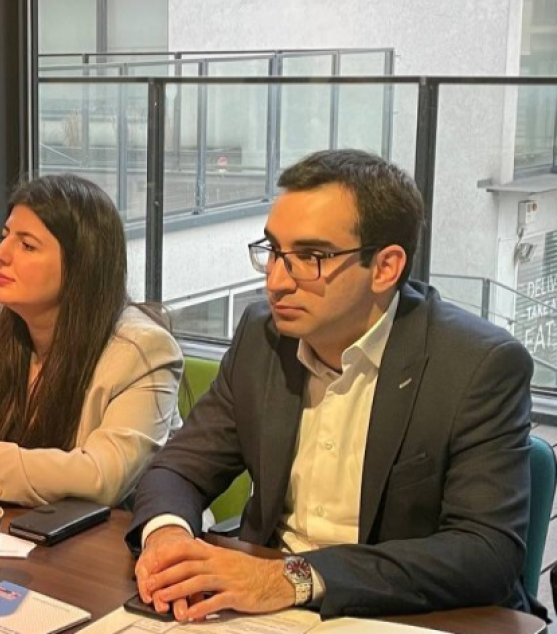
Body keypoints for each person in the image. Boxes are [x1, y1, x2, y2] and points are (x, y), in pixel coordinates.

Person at [129, 150, 542, 622]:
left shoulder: (477, 365)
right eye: (274, 251)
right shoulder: (263, 337)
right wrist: (168, 537)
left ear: (385, 268)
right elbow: (179, 468)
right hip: (262, 611)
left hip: (404, 615)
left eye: (310, 257)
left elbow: (485, 552)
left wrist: (293, 578)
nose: (276, 282)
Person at [0, 174, 182, 506]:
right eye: (5, 236)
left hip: (118, 534)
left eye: (26, 245)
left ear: (81, 264)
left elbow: (103, 475)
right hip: (19, 526)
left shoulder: (143, 351)